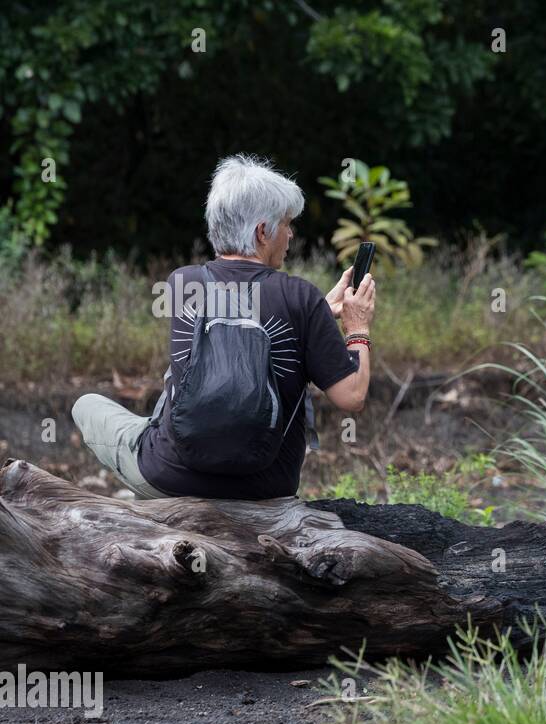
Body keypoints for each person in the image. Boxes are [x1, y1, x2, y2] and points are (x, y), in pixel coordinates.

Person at [71, 154, 374, 500]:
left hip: (169, 477)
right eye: (287, 224)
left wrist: (317, 311)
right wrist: (357, 327)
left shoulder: (182, 283)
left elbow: (247, 308)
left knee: (87, 404)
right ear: (263, 232)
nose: (290, 235)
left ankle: (160, 509)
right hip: (264, 490)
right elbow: (352, 397)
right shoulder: (301, 299)